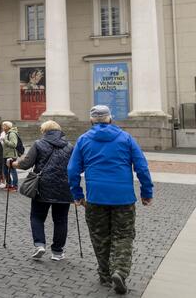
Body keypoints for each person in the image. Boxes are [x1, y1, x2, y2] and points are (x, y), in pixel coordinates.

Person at [68, 105, 153, 295]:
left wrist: (77, 194)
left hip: (96, 197)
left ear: (91, 120)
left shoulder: (83, 140)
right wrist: (146, 192)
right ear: (110, 119)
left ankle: (105, 274)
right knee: (123, 236)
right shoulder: (126, 138)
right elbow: (142, 167)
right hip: (123, 198)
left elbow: (72, 170)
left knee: (100, 237)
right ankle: (120, 271)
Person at [10, 120, 74, 261]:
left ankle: (39, 244)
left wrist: (13, 164)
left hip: (42, 187)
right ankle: (57, 252)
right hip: (64, 187)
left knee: (37, 217)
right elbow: (74, 168)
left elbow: (26, 164)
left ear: (44, 131)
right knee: (61, 220)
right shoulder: (70, 146)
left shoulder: (39, 144)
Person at [1, 121, 20, 191]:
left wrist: (4, 140)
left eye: (3, 126)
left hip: (11, 155)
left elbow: (14, 144)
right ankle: (9, 184)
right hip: (5, 155)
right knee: (5, 171)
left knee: (12, 170)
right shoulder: (7, 133)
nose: (2, 127)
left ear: (7, 126)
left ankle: (15, 186)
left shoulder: (12, 134)